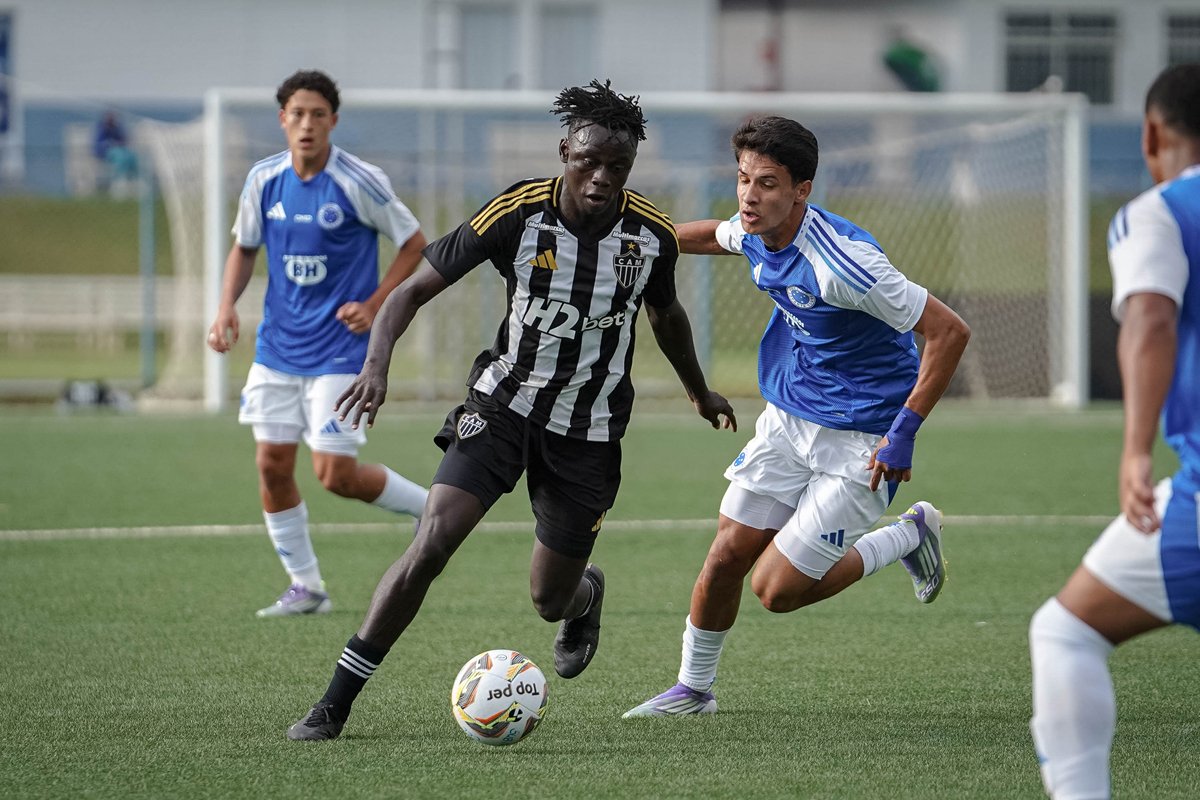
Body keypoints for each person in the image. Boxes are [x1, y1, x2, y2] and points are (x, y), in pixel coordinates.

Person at [285, 79, 737, 741]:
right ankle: (334, 702)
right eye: (588, 161)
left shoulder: (650, 237)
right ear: (564, 150)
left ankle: (587, 594)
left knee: (549, 599)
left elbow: (666, 315)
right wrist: (375, 366)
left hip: (588, 431)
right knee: (432, 541)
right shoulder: (518, 214)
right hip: (503, 406)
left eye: (618, 167)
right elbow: (412, 291)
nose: (601, 178)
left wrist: (699, 391)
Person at [623, 114, 970, 718]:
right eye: (742, 179)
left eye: (768, 184)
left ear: (801, 191)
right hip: (788, 419)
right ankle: (692, 690)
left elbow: (948, 332)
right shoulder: (757, 229)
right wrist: (641, 239)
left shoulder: (847, 265)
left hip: (863, 435)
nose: (749, 197)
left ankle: (910, 534)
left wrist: (903, 436)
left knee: (776, 591)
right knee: (726, 555)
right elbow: (714, 236)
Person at [1029, 63, 1200, 800]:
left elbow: (1153, 317)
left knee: (1066, 632)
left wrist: (1135, 449)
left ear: (1153, 132)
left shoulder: (1159, 211)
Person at [206, 70, 430, 618]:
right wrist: (225, 306)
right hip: (278, 350)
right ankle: (306, 587)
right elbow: (244, 248)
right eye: (297, 114)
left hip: (340, 350)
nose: (307, 124)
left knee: (336, 475)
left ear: (333, 120)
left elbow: (414, 244)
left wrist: (375, 303)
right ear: (282, 119)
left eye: (318, 115)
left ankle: (435, 510)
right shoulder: (263, 180)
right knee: (271, 465)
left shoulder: (359, 180)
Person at [93, 110, 138, 197]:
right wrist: (111, 143)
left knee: (131, 156)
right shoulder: (101, 128)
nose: (112, 120)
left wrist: (119, 141)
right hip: (105, 154)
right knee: (120, 157)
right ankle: (118, 181)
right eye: (110, 117)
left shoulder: (116, 128)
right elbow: (98, 144)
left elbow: (124, 139)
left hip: (120, 151)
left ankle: (131, 180)